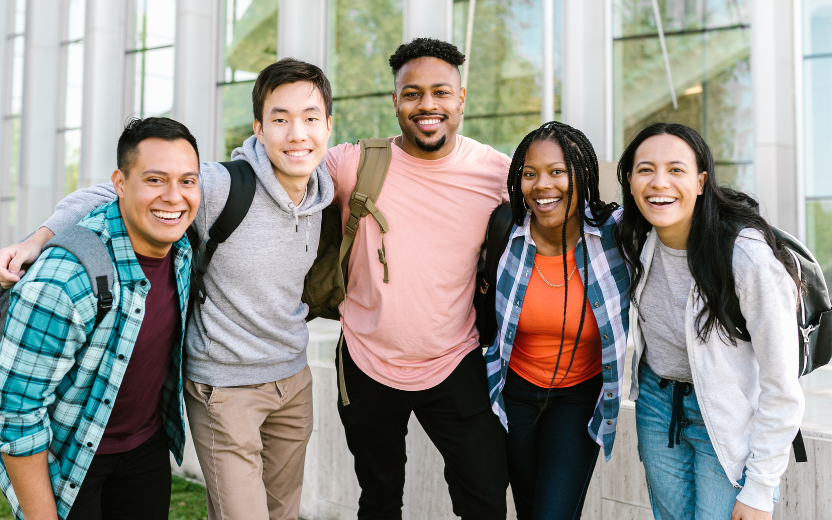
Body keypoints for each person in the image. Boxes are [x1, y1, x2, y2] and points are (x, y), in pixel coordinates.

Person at [0, 58, 335, 520]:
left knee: (284, 512)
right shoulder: (218, 186)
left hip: (289, 380)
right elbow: (110, 194)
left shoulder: (326, 189)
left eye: (311, 118)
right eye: (280, 119)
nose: (297, 133)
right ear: (259, 127)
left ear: (328, 125)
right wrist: (38, 238)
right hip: (224, 387)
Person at [325, 38, 511, 519]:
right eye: (412, 93)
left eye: (441, 92)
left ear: (461, 98)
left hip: (456, 360)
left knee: (485, 499)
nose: (427, 105)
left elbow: (565, 210)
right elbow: (277, 168)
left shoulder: (497, 173)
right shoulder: (354, 164)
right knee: (380, 499)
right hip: (366, 363)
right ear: (395, 102)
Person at [0, 117, 200, 520]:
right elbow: (14, 416)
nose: (174, 197)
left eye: (187, 181)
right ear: (120, 184)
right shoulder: (65, 278)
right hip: (69, 457)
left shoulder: (182, 249)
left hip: (145, 448)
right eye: (155, 180)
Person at [615, 122, 804, 520]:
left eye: (676, 170)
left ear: (701, 181)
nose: (659, 182)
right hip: (656, 406)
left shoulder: (746, 257)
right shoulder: (634, 237)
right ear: (630, 180)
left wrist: (760, 487)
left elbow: (782, 384)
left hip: (727, 415)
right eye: (645, 169)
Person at [482, 121, 630, 519]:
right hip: (513, 392)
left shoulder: (615, 234)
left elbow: (684, 224)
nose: (542, 185)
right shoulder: (505, 231)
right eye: (530, 174)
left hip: (579, 396)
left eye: (557, 171)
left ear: (582, 176)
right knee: (529, 510)